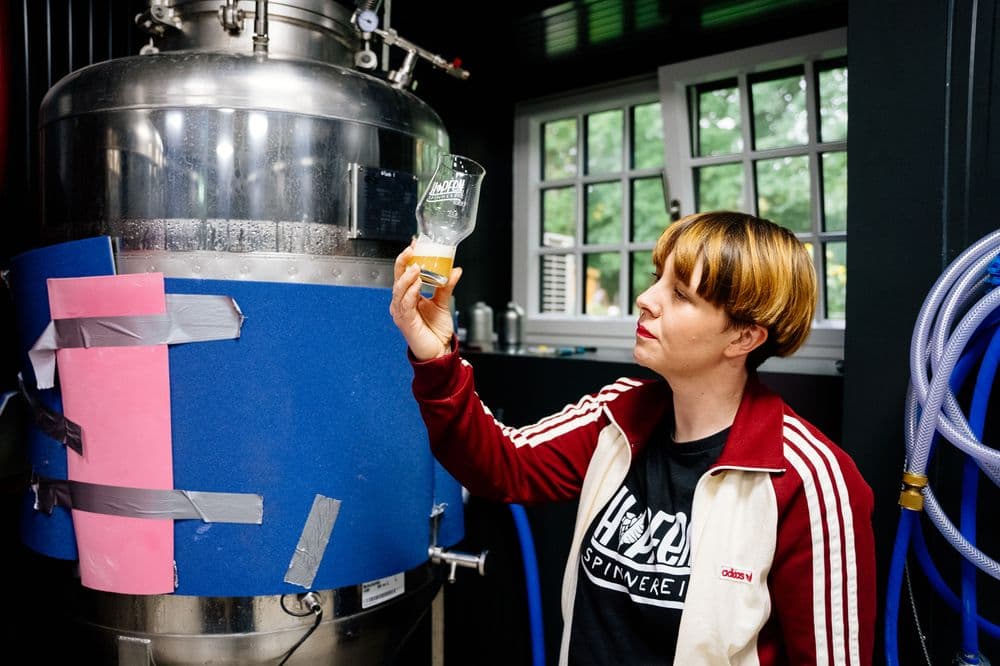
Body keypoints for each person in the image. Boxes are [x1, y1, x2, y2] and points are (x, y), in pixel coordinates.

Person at [390, 211, 876, 665]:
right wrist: (436, 356)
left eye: (680, 294)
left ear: (743, 338)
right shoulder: (618, 413)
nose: (646, 299)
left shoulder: (810, 478)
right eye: (656, 278)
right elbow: (503, 466)